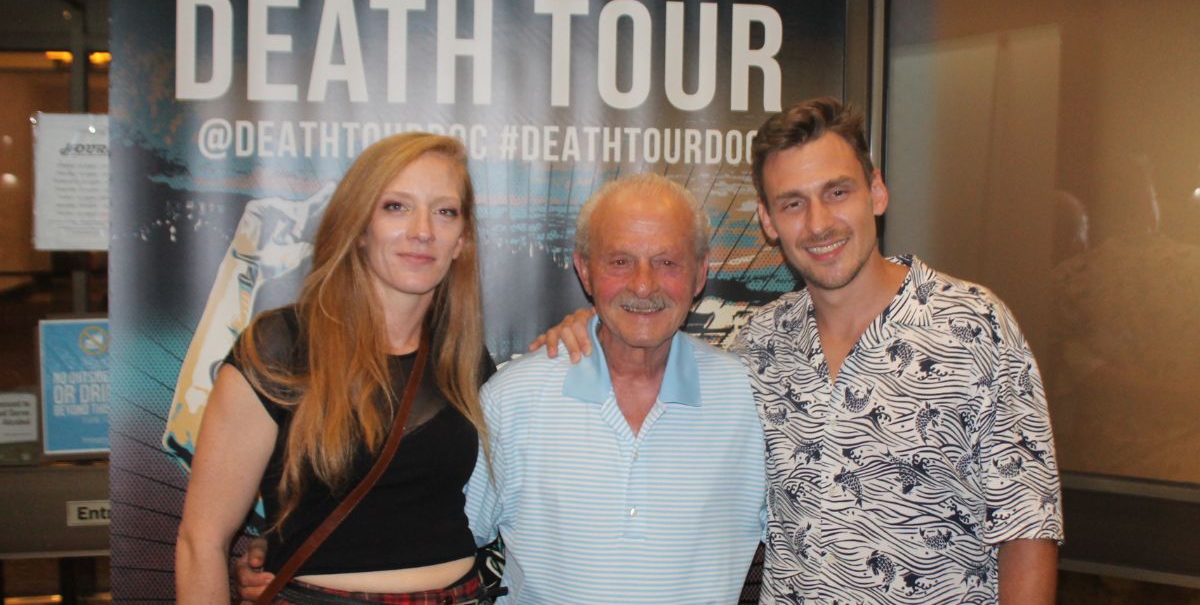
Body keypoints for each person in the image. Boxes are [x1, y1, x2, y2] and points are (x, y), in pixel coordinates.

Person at [540, 98, 1064, 604]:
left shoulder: (972, 325)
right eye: (793, 203)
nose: (818, 224)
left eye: (837, 193)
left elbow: (1027, 527)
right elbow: (652, 337)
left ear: (876, 192)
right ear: (768, 221)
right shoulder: (757, 344)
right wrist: (592, 323)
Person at [176, 133, 497, 604]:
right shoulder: (281, 349)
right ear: (359, 225)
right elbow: (200, 542)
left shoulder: (465, 358)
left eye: (444, 211)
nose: (423, 230)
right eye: (396, 207)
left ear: (462, 241)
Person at [464, 173, 767, 602]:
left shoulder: (753, 400)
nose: (644, 285)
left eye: (667, 262)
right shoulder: (511, 400)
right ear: (585, 271)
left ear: (700, 274)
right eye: (620, 262)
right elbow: (444, 544)